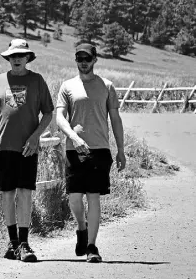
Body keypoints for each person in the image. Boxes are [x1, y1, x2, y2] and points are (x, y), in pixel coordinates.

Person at [0, 39, 54, 262]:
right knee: (7, 195)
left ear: (28, 58)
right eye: (13, 56)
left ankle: (25, 243)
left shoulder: (37, 81)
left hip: (27, 148)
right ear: (8, 58)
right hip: (1, 147)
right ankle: (13, 243)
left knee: (25, 193)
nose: (17, 58)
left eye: (21, 55)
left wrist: (35, 136)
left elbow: (48, 113)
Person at [56, 43, 126, 263]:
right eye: (79, 58)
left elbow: (115, 119)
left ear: (95, 60)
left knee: (93, 196)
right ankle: (81, 227)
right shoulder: (67, 86)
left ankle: (92, 247)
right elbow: (59, 117)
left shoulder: (107, 86)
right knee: (75, 197)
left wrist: (121, 150)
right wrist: (74, 138)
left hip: (100, 149)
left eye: (87, 58)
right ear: (75, 60)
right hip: (74, 149)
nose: (83, 62)